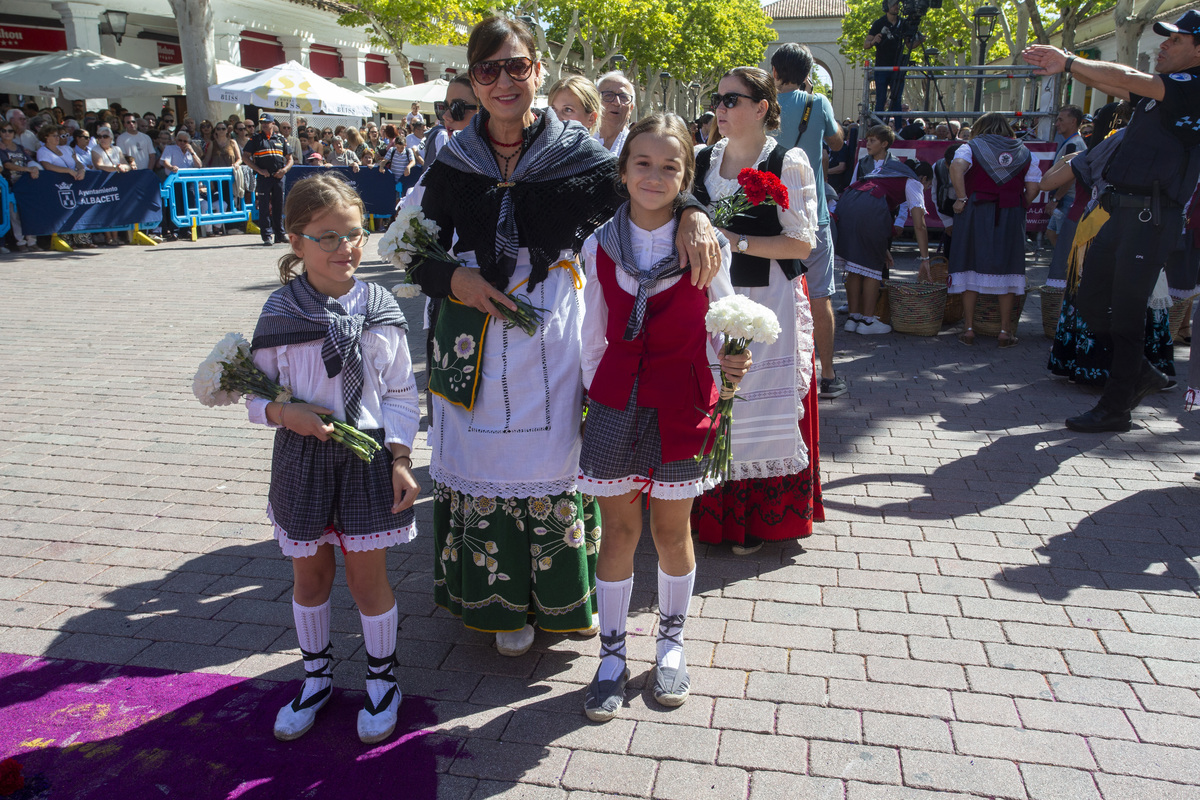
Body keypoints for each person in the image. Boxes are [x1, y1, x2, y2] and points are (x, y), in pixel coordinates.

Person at [410, 15, 721, 657]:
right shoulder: (453, 160)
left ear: (538, 72)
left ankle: (555, 600)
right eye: (488, 69)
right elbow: (413, 246)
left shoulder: (579, 157)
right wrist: (452, 280)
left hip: (550, 330)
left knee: (550, 457)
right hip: (470, 327)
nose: (503, 81)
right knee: (478, 459)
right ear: (473, 78)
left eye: (516, 66)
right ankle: (497, 603)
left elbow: (648, 189)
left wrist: (693, 213)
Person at [577, 113, 748, 721]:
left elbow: (723, 315)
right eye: (642, 164)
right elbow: (590, 333)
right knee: (619, 531)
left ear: (687, 175)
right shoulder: (598, 243)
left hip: (682, 396)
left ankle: (672, 644)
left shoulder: (703, 241)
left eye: (669, 166)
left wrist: (733, 359)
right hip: (617, 398)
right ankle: (613, 654)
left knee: (672, 531)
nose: (654, 176)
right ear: (622, 171)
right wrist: (593, 397)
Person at [246, 172, 419, 745]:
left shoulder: (381, 303)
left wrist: (400, 456)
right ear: (295, 242)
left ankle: (381, 680)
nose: (344, 247)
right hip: (303, 454)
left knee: (368, 578)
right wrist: (283, 413)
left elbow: (399, 391)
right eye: (326, 237)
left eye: (353, 233)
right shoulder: (279, 310)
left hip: (368, 456)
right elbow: (255, 392)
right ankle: (316, 677)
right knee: (311, 574)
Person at [1025, 11, 1200, 431]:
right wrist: (1070, 68)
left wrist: (1068, 61)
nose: (1164, 45)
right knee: (1088, 301)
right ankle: (1139, 373)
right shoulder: (1167, 93)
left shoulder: (1192, 87)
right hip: (1120, 211)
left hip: (1151, 217)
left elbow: (1127, 77)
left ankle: (1116, 406)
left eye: (1175, 40)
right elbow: (1116, 83)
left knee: (1125, 312)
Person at [689, 66, 823, 556]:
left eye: (732, 100)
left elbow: (801, 243)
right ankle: (708, 511)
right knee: (712, 394)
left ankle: (753, 523)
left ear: (763, 107)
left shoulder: (789, 161)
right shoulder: (703, 157)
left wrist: (734, 239)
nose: (720, 109)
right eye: (718, 99)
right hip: (709, 298)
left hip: (768, 301)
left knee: (754, 402)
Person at [770, 43, 846, 399]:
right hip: (812, 217)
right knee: (819, 297)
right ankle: (827, 374)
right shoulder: (818, 104)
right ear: (808, 74)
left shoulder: (760, 106)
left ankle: (775, 371)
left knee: (770, 293)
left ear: (774, 72)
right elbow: (837, 140)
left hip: (770, 220)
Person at [948, 113, 1042, 348]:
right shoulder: (1025, 151)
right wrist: (1022, 204)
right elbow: (1033, 187)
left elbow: (956, 167)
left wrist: (961, 198)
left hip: (976, 211)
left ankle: (968, 329)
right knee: (1007, 266)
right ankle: (1004, 331)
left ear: (981, 127)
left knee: (970, 262)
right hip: (1010, 212)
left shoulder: (971, 147)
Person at [838, 158, 933, 335]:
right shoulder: (913, 182)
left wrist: (883, 248)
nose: (927, 189)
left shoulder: (885, 171)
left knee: (854, 265)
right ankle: (867, 321)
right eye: (929, 185)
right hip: (869, 209)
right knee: (873, 267)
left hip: (846, 205)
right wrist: (925, 258)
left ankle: (853, 318)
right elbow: (920, 225)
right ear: (924, 179)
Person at [245, 113, 294, 247]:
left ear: (273, 124)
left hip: (278, 176)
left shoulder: (281, 139)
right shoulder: (256, 139)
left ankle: (279, 234)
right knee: (264, 206)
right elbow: (245, 157)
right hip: (264, 177)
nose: (265, 124)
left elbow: (290, 159)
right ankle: (266, 235)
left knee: (279, 205)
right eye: (262, 122)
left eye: (267, 122)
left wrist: (284, 170)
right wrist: (259, 170)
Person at [1045, 105, 1087, 248]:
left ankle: (1065, 267)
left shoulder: (1074, 145)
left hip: (1068, 200)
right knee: (1052, 233)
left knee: (1063, 239)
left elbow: (1069, 176)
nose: (1057, 124)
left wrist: (1056, 199)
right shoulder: (1071, 143)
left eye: (1060, 120)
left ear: (1073, 121)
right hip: (1065, 198)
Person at [0, 119, 40, 252]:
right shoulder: (1, 148)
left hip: (25, 186)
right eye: (3, 131)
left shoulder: (20, 147)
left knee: (28, 213)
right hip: (10, 186)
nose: (7, 134)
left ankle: (32, 241)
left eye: (10, 131)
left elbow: (29, 161)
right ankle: (20, 242)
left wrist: (34, 169)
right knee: (15, 216)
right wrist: (28, 170)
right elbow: (7, 165)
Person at [90, 126, 130, 247]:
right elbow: (99, 165)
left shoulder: (117, 149)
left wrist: (125, 167)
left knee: (115, 209)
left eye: (105, 136)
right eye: (100, 136)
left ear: (111, 138)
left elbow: (125, 164)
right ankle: (108, 237)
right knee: (105, 210)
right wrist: (115, 168)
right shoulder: (95, 150)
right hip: (102, 183)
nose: (102, 139)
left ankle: (116, 236)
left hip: (117, 182)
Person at [866, 0, 906, 116]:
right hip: (882, 67)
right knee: (880, 100)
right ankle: (878, 127)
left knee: (897, 101)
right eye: (893, 4)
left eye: (897, 4)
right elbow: (866, 44)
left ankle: (898, 129)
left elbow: (909, 44)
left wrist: (920, 39)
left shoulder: (903, 23)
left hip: (897, 67)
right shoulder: (879, 23)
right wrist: (873, 41)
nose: (896, 7)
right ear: (886, 7)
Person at [595, 71, 635, 154]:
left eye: (624, 97)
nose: (616, 102)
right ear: (595, 102)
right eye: (608, 95)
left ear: (631, 109)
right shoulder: (577, 142)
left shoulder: (637, 147)